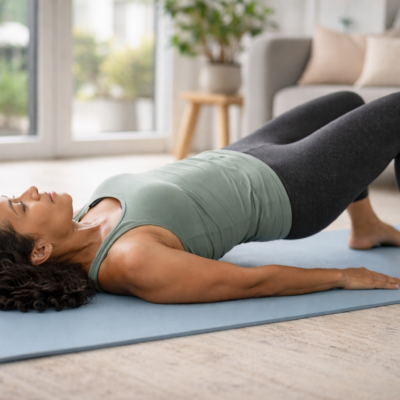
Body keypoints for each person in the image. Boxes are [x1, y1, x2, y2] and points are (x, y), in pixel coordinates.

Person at [2, 91, 400, 313]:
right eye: (21, 207)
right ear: (40, 250)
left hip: (245, 152)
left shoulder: (78, 221)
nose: (30, 192)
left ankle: (365, 227)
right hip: (294, 186)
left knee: (346, 101)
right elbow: (250, 283)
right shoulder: (131, 260)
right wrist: (342, 277)